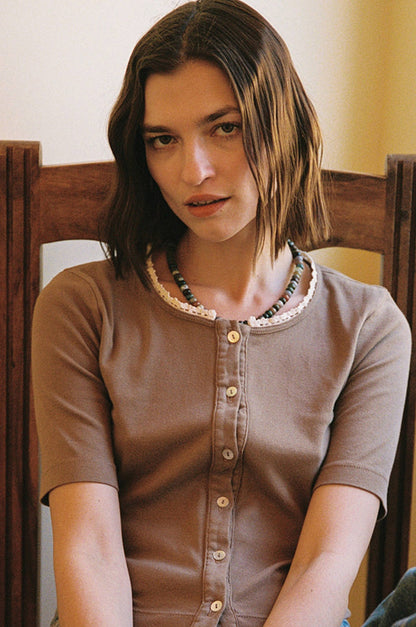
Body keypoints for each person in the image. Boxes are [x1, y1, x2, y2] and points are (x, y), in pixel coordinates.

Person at [31, 1, 412, 625]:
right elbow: (89, 552)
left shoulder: (370, 328)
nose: (194, 171)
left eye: (225, 128)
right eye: (163, 140)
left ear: (281, 125)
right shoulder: (81, 307)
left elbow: (324, 565)